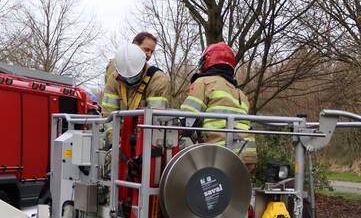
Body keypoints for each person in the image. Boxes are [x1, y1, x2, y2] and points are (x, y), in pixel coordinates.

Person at [180, 42, 256, 170]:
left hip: (218, 156)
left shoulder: (203, 82)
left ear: (207, 61)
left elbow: (186, 122)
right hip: (247, 157)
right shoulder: (241, 94)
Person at [101, 42, 170, 116]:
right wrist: (111, 128)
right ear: (118, 71)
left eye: (135, 75)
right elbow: (108, 114)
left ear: (143, 64)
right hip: (119, 126)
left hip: (146, 126)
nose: (130, 78)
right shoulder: (114, 79)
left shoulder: (157, 80)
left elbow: (156, 117)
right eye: (126, 76)